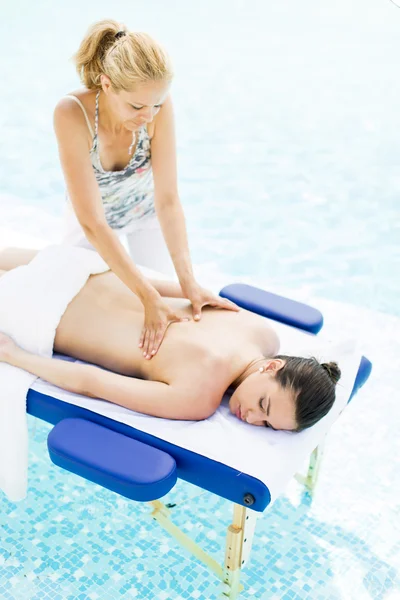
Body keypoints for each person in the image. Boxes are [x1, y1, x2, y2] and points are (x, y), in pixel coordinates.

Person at [54, 19, 238, 359]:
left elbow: (168, 201)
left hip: (144, 214)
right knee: (75, 307)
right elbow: (93, 222)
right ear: (107, 85)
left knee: (174, 305)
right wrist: (146, 295)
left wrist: (189, 283)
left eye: (156, 104)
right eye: (137, 107)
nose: (148, 116)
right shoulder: (72, 113)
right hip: (92, 222)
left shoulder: (158, 108)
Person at [0, 247, 340, 432]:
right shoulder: (197, 399)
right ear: (271, 367)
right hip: (38, 311)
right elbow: (90, 382)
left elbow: (182, 293)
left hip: (84, 267)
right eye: (263, 406)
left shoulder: (261, 332)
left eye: (266, 425)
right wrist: (14, 355)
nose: (252, 417)